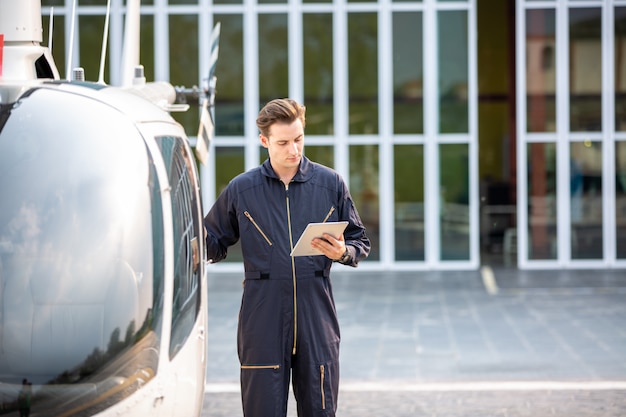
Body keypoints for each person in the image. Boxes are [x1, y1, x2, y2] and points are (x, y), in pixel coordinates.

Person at [204, 98, 370, 417]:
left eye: (298, 139)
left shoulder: (330, 184)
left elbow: (359, 240)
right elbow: (213, 242)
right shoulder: (242, 190)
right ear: (264, 141)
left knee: (321, 411)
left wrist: (343, 253)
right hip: (262, 317)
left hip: (316, 317)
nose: (293, 150)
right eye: (283, 143)